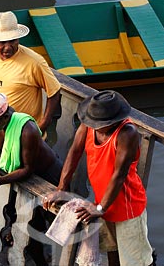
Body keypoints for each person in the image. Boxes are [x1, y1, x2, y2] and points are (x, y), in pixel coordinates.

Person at [43, 90, 155, 266]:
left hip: (127, 206)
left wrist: (101, 208)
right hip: (102, 202)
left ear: (111, 121)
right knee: (112, 253)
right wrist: (61, 188)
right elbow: (75, 151)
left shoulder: (127, 133)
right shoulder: (89, 124)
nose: (92, 126)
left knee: (136, 261)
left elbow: (119, 175)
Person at [0, 11, 61, 132]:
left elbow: (54, 91)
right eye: (2, 42)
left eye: (12, 41)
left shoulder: (34, 62)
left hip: (24, 133)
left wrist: (44, 123)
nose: (7, 47)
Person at [0, 92, 63, 194]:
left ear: (5, 117)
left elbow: (27, 169)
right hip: (18, 175)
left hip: (48, 175)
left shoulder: (28, 130)